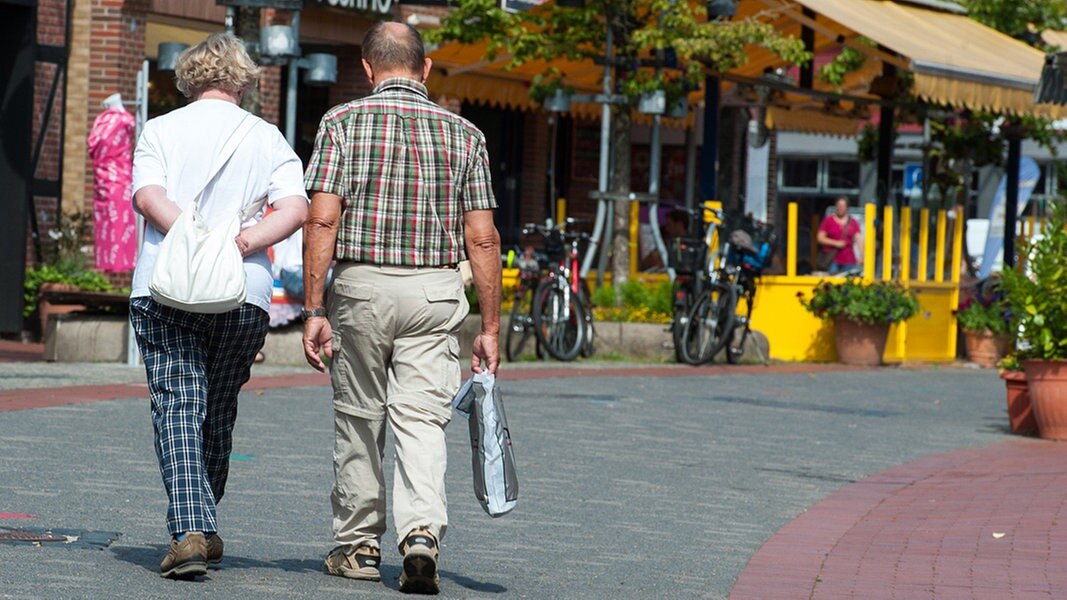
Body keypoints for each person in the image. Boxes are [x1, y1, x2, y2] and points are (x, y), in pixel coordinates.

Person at [301, 21, 501, 595]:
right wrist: (488, 326)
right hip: (436, 291)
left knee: (360, 415)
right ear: (427, 67)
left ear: (367, 68)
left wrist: (314, 307)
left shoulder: (340, 123)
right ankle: (420, 534)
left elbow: (322, 218)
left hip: (362, 288)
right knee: (421, 418)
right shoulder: (466, 135)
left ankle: (360, 546)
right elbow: (483, 239)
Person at [129, 33, 309, 579]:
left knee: (179, 403)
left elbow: (146, 196)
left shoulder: (160, 130)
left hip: (167, 285)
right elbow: (295, 207)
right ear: (244, 79)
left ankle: (188, 529)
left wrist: (192, 235)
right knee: (218, 404)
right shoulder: (267, 136)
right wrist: (244, 242)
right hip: (243, 292)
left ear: (188, 78)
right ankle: (203, 524)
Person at [816, 196, 862, 274]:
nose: (841, 208)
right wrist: (835, 243)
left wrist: (862, 256)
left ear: (847, 208)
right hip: (832, 259)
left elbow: (859, 240)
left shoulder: (853, 222)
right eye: (839, 205)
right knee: (832, 281)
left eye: (843, 206)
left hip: (848, 259)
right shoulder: (828, 221)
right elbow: (820, 238)